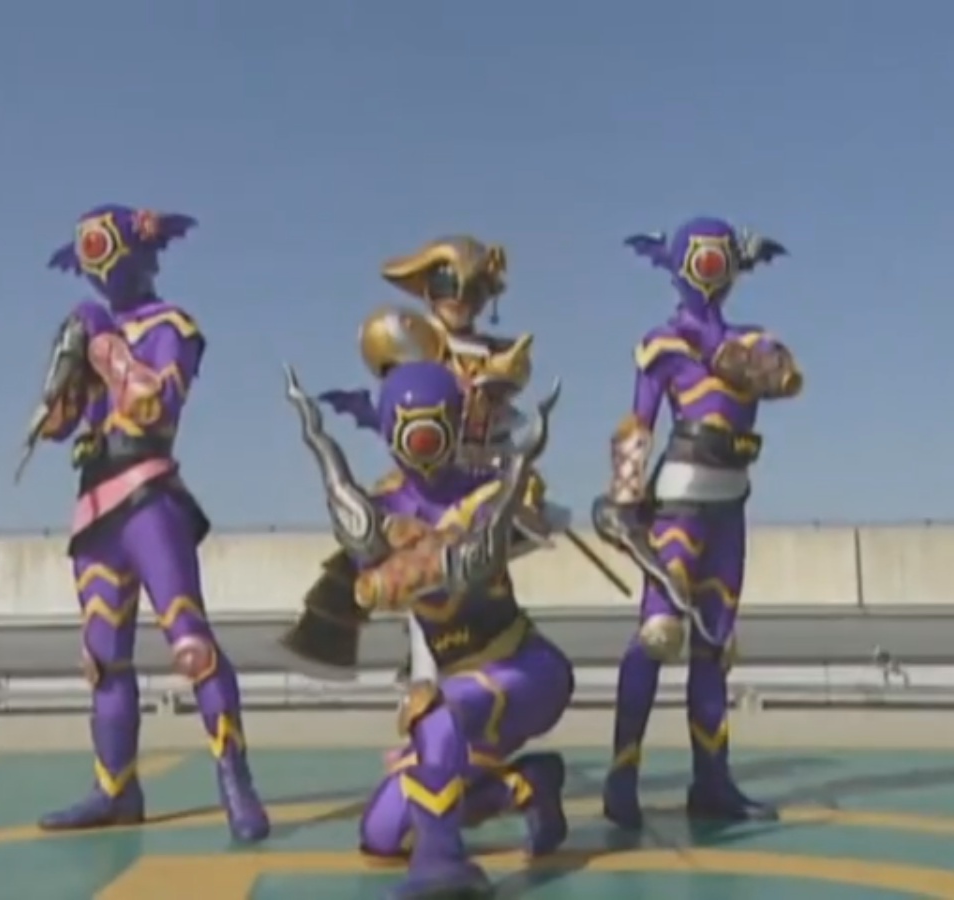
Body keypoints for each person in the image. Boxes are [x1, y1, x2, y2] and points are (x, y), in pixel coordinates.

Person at [24, 204, 270, 840]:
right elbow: (59, 425)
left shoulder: (171, 325)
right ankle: (115, 788)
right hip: (94, 508)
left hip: (148, 495)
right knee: (102, 659)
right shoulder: (93, 325)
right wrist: (65, 372)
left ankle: (235, 777)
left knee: (190, 645)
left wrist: (103, 344)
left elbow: (153, 403)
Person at [283, 360, 572, 899]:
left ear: (455, 422)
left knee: (433, 711)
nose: (422, 446)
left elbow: (480, 552)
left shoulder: (492, 492)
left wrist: (419, 555)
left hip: (522, 669)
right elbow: (371, 550)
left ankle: (442, 863)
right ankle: (526, 785)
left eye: (433, 428)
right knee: (381, 835)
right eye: (409, 430)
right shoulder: (382, 505)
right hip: (459, 687)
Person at [591, 216, 803, 828]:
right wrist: (625, 496)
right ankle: (622, 776)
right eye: (705, 260)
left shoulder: (753, 342)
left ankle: (712, 780)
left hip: (730, 501)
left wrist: (721, 348)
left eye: (722, 260)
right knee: (659, 632)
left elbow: (780, 379)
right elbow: (639, 422)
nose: (714, 273)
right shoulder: (662, 346)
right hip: (679, 501)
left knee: (715, 643)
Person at [289, 236, 548, 685]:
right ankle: (419, 678)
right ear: (427, 289)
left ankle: (479, 678)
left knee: (477, 576)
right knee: (395, 555)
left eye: (472, 288)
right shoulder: (412, 345)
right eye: (446, 284)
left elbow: (503, 424)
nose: (458, 298)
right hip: (426, 484)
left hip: (479, 484)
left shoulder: (498, 354)